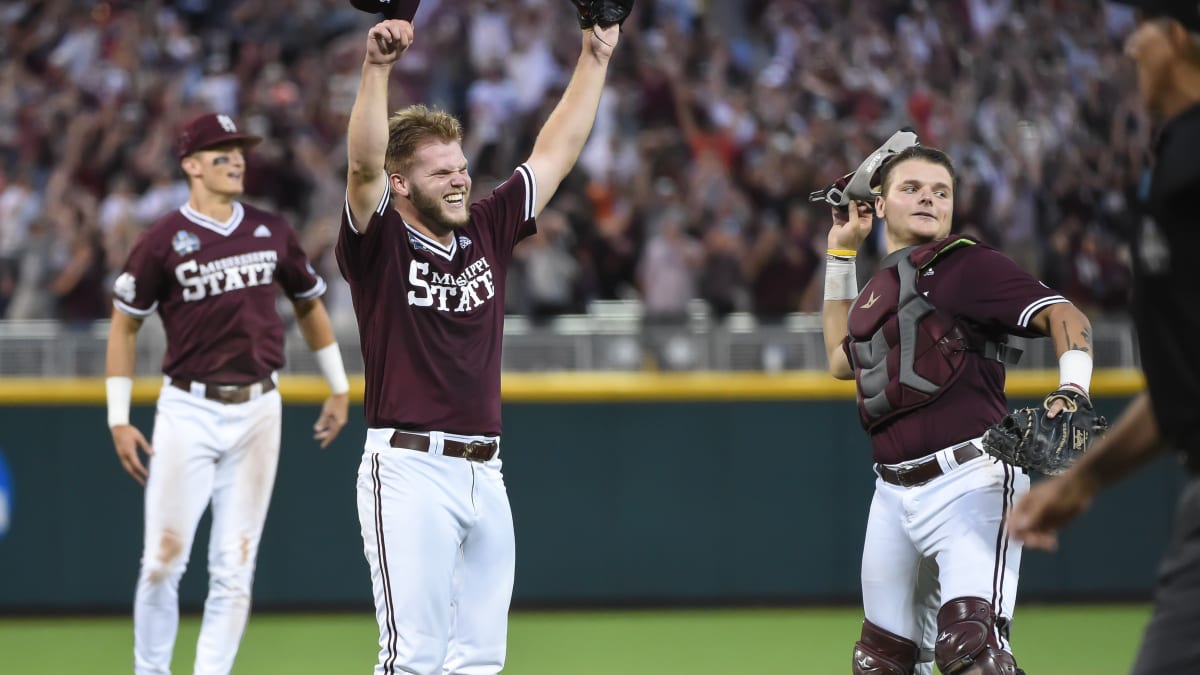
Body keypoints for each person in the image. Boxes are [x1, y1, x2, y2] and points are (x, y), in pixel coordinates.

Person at [335, 11, 621, 675]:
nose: (461, 179)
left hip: (485, 470)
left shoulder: (486, 230)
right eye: (441, 173)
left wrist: (596, 57)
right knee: (412, 660)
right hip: (409, 469)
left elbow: (554, 152)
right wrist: (376, 70)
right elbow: (360, 165)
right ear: (401, 184)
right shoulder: (379, 242)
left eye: (461, 167)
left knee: (480, 662)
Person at [820, 143, 1096, 675]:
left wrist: (1074, 389)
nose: (928, 197)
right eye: (911, 188)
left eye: (940, 191)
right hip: (890, 495)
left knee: (973, 651)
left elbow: (1065, 314)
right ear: (879, 205)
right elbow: (838, 358)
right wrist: (840, 253)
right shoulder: (880, 288)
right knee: (880, 663)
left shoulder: (969, 266)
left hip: (969, 481)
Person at [105, 112, 351, 675]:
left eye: (239, 150)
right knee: (162, 562)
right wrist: (119, 417)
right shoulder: (162, 239)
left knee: (234, 566)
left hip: (260, 408)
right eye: (221, 152)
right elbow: (124, 323)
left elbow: (309, 302)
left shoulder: (271, 229)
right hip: (188, 407)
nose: (236, 158)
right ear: (191, 165)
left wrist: (338, 386)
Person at [1010, 3, 1200, 673]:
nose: (1128, 53)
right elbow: (1189, 387)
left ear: (1176, 37)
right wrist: (1080, 483)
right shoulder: (1176, 152)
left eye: (1141, 33)